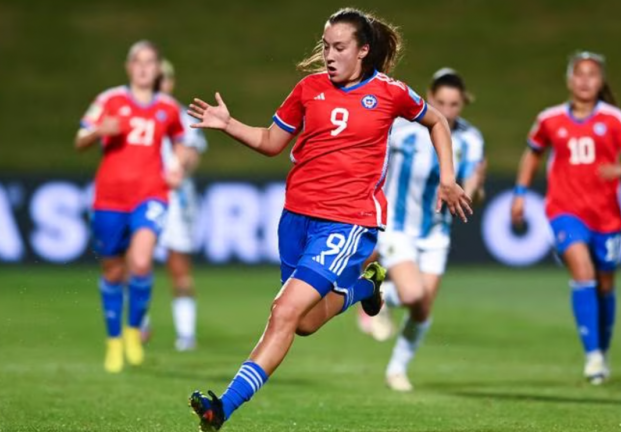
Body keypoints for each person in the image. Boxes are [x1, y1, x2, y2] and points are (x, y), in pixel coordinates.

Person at [186, 8, 472, 431]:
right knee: (303, 322)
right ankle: (365, 287)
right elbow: (271, 141)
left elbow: (438, 121)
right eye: (325, 47)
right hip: (296, 219)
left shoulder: (390, 93)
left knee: (283, 310)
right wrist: (229, 125)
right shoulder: (309, 88)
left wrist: (448, 178)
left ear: (363, 50)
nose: (330, 55)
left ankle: (222, 408)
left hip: (348, 221)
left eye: (339, 47)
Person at [511, 51, 621, 385]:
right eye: (580, 74)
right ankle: (593, 356)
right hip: (564, 211)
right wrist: (520, 193)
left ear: (601, 81)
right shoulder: (550, 119)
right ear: (569, 79)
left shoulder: (615, 120)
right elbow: (533, 153)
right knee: (583, 272)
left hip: (607, 217)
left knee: (605, 284)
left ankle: (602, 349)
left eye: (592, 74)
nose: (585, 80)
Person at [367, 68, 487, 392]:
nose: (446, 110)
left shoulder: (470, 139)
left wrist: (474, 188)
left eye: (454, 104)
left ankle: (396, 369)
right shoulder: (403, 128)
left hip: (436, 233)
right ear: (429, 97)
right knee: (412, 294)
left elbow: (471, 187)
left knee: (421, 309)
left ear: (463, 104)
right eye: (441, 102)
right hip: (397, 227)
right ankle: (370, 295)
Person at [74, 41, 188, 373]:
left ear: (157, 69)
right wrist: (99, 131)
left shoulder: (168, 107)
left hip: (151, 195)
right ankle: (113, 340)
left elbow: (181, 140)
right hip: (109, 199)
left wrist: (177, 167)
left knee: (140, 262)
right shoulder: (108, 100)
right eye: (138, 61)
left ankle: (133, 331)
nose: (143, 68)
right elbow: (79, 139)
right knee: (113, 271)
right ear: (128, 67)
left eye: (150, 62)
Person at [158, 58, 208, 351]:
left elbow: (192, 154)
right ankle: (136, 325)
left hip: (174, 199)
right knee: (131, 263)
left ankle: (186, 333)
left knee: (178, 266)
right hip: (138, 195)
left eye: (164, 78)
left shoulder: (179, 116)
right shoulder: (131, 112)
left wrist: (179, 169)